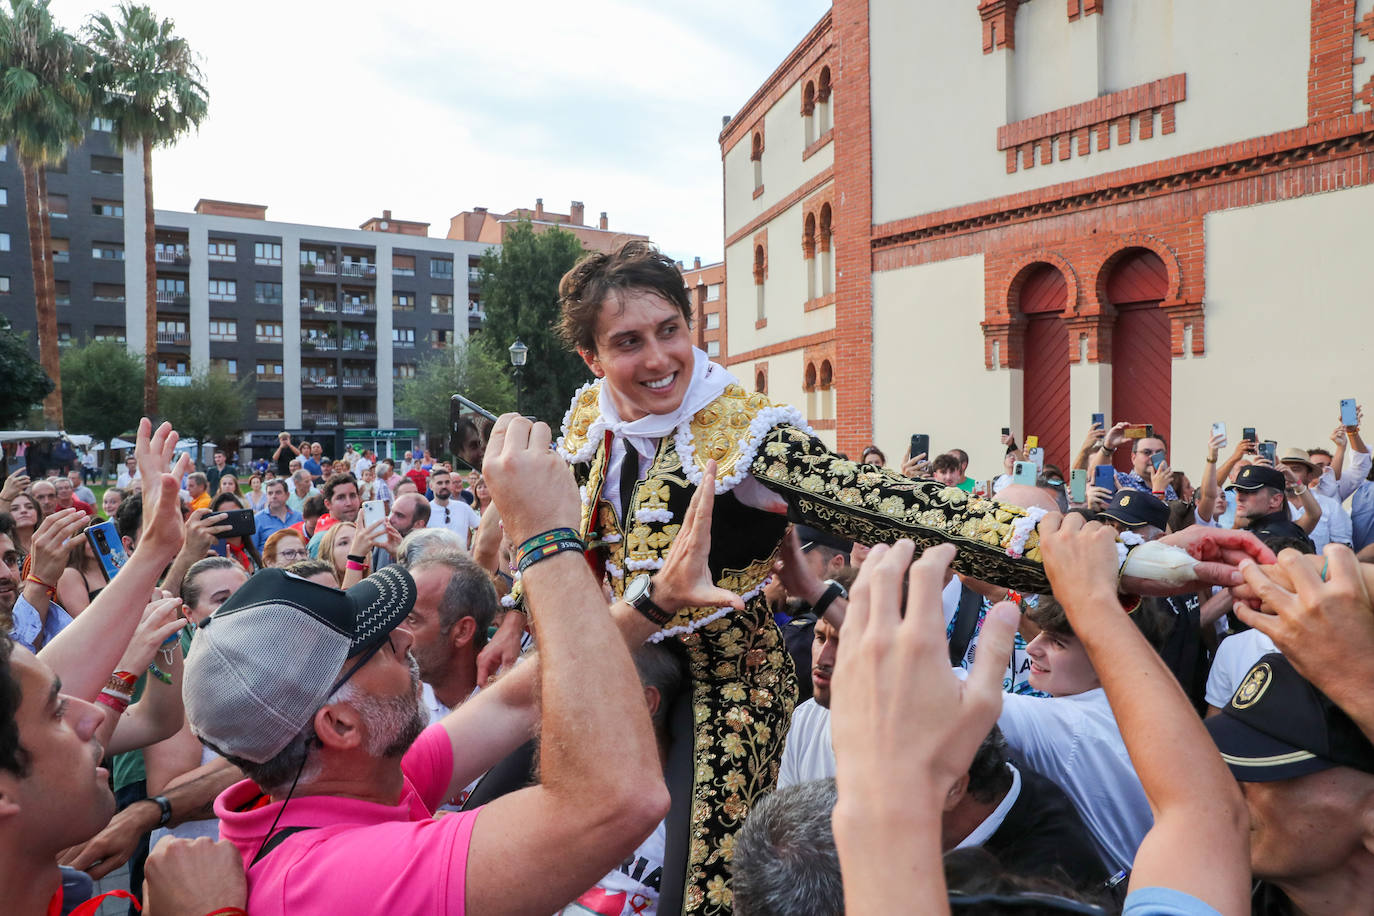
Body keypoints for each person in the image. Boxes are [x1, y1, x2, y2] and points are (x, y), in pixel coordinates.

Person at [184, 412, 673, 914]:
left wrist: (656, 601)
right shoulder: (341, 876)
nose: (401, 637)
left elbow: (514, 701)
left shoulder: (345, 780)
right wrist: (546, 538)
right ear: (340, 723)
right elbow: (618, 801)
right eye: (374, 647)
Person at [428, 468, 480, 548]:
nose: (444, 486)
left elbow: (481, 528)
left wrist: (474, 549)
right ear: (431, 486)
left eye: (447, 482)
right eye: (439, 483)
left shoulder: (463, 508)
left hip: (461, 558)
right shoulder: (426, 510)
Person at [252, 479, 302, 553]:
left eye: (278, 493)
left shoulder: (299, 517)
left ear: (287, 495)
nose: (274, 496)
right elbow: (252, 549)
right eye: (270, 493)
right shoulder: (257, 519)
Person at [9, 491, 41, 557]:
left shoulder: (50, 541)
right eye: (15, 509)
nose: (23, 510)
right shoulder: (4, 546)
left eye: (29, 507)